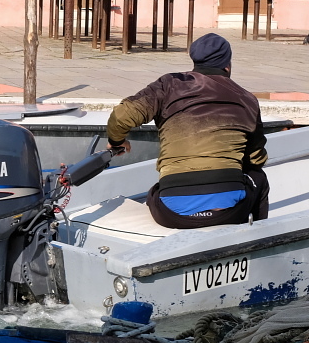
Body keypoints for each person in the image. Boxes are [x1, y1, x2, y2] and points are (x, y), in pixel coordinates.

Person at [106, 33, 269, 229]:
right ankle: (257, 236)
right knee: (258, 177)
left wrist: (117, 142)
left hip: (172, 215)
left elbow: (121, 116)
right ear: (228, 65)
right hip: (229, 213)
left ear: (194, 60)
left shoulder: (168, 85)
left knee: (156, 191)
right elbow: (257, 158)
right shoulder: (246, 98)